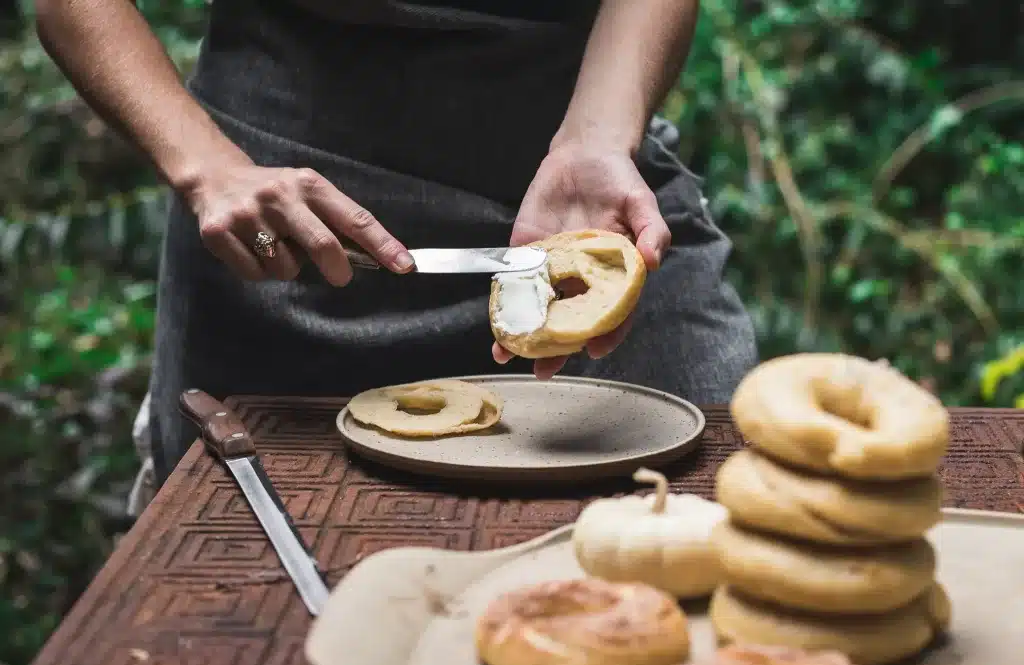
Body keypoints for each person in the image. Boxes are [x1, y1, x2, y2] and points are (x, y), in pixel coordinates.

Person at [36, 0, 758, 486]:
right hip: (281, 235)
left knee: (715, 508)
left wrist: (599, 136)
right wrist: (207, 168)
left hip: (588, 196)